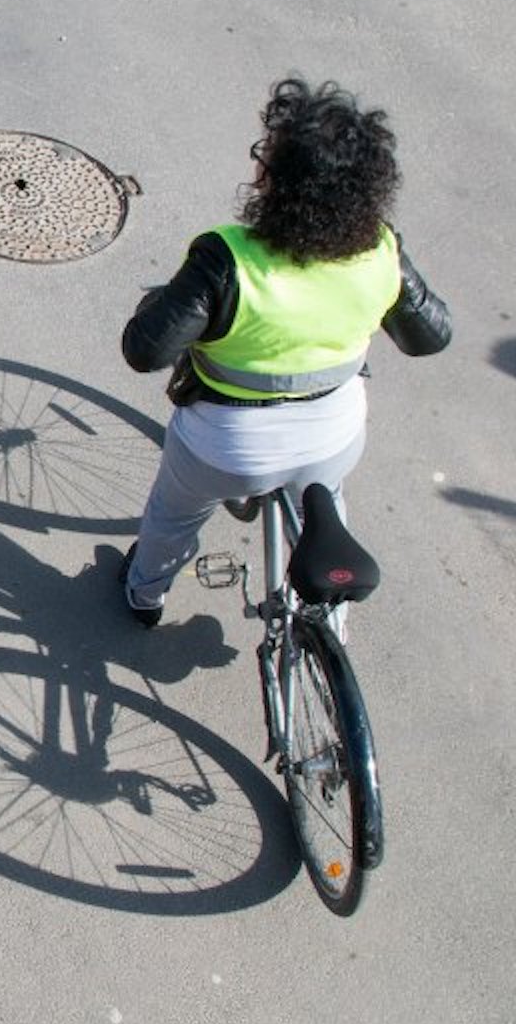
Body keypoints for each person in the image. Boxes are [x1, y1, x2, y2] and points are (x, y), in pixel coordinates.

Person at [119, 77, 452, 626]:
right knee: (323, 504)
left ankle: (145, 594)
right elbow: (430, 336)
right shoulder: (381, 252)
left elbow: (144, 350)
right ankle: (328, 635)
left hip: (228, 447)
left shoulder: (226, 259)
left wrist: (163, 303)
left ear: (277, 183)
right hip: (332, 436)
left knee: (173, 515)